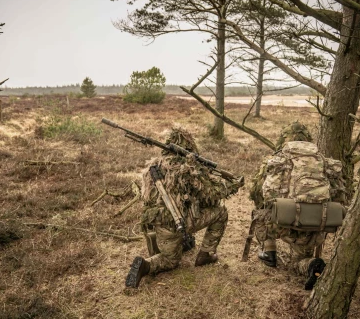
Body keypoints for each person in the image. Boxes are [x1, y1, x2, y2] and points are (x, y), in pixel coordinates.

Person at [125, 127, 243, 288]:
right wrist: (234, 185)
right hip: (179, 222)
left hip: (160, 226)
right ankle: (206, 254)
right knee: (221, 212)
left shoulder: (152, 167)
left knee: (168, 260)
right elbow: (213, 193)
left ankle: (145, 265)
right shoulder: (188, 167)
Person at [248, 122, 346, 290]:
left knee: (259, 213)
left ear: (283, 140)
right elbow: (339, 197)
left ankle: (269, 252)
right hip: (315, 227)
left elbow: (259, 195)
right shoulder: (324, 162)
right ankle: (312, 265)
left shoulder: (277, 161)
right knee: (298, 262)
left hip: (283, 226)